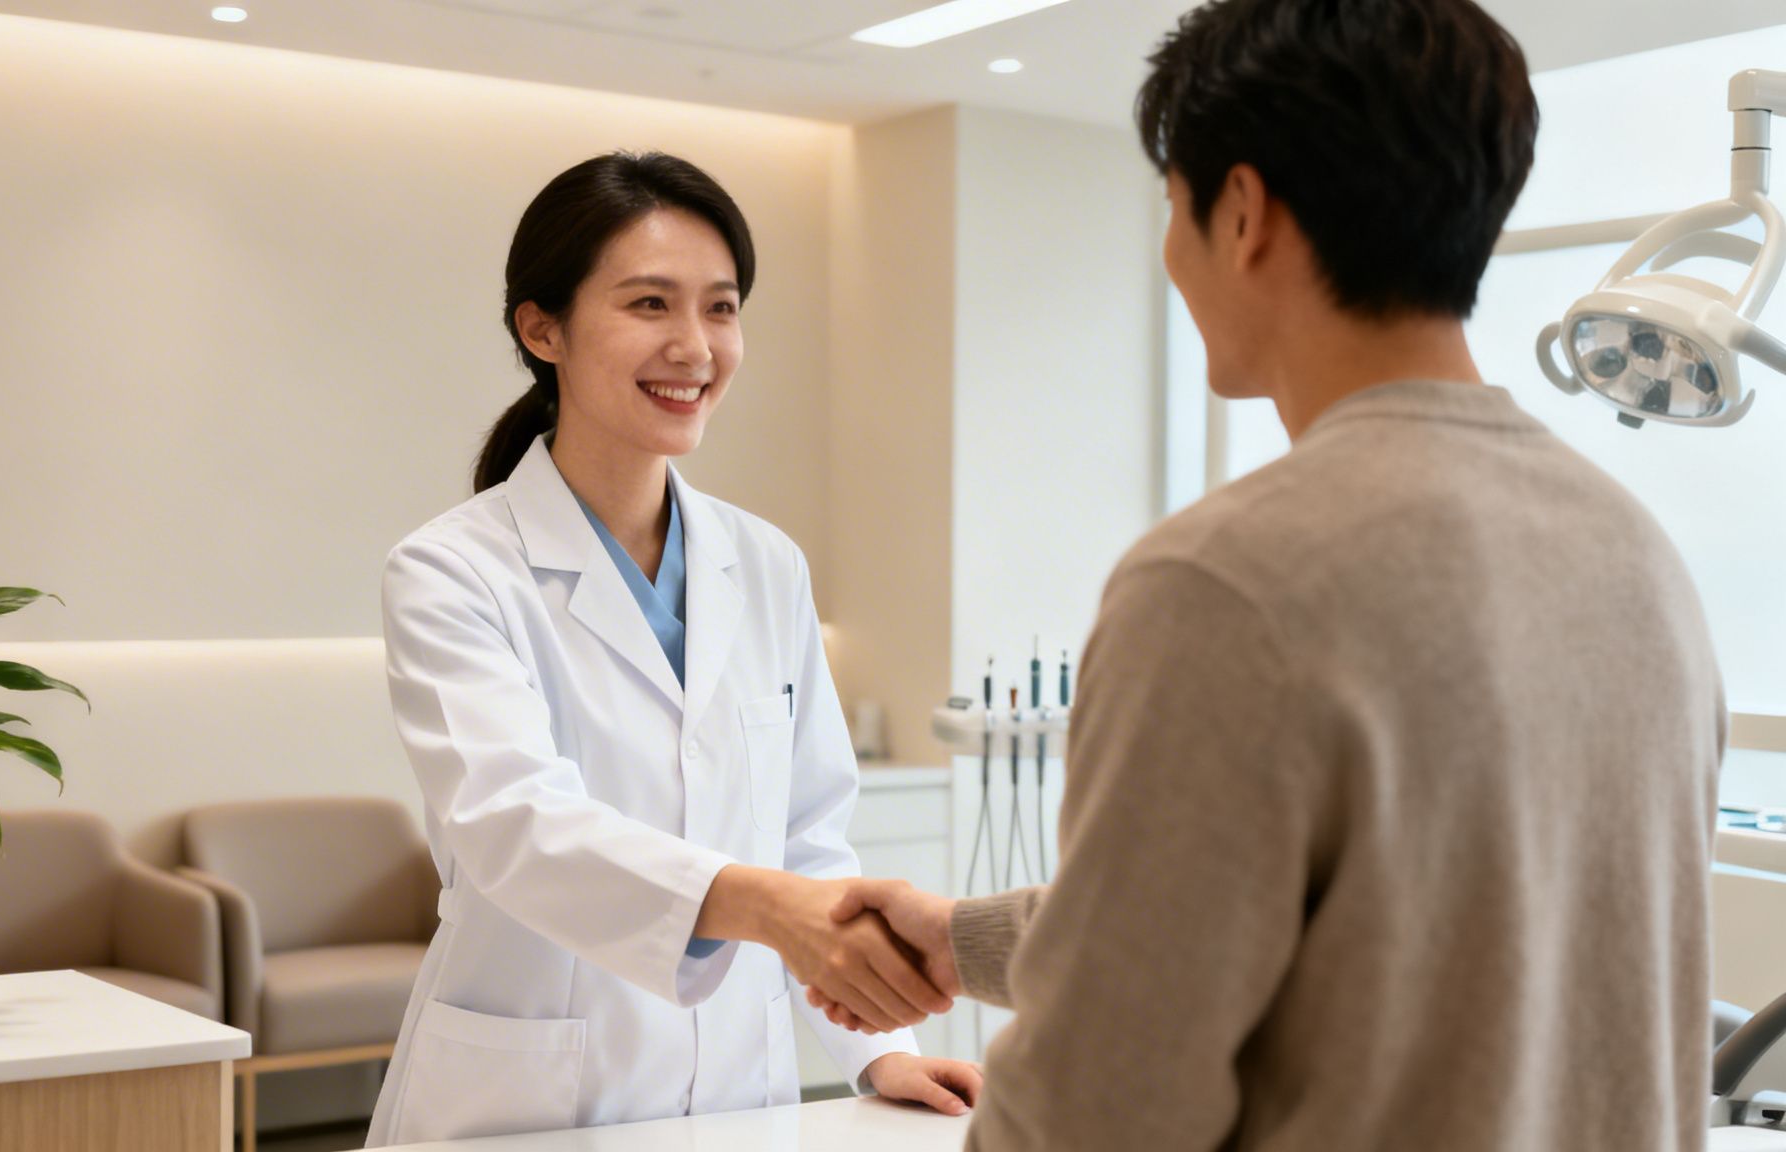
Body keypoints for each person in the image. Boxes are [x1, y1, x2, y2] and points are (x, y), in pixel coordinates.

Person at [811, 1, 1725, 1149]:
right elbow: (1395, 912)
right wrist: (961, 938)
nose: (1169, 253)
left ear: (1239, 212)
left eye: (1170, 208)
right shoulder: (1635, 559)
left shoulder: (1222, 581)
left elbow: (1097, 1108)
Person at [366, 151, 981, 1145]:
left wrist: (878, 1051)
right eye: (649, 304)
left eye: (721, 308)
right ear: (542, 328)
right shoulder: (451, 571)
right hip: (530, 1098)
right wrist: (769, 906)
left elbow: (807, 834)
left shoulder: (765, 563)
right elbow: (514, 824)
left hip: (741, 1095)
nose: (694, 347)